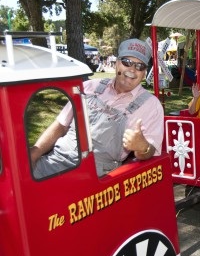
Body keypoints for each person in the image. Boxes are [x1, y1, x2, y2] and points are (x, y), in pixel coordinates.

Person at [31, 38, 164, 178]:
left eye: (139, 66)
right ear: (117, 64)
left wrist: (142, 147)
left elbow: (151, 152)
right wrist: (35, 152)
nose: (132, 69)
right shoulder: (90, 87)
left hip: (96, 177)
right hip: (55, 160)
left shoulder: (151, 105)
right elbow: (61, 124)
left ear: (144, 73)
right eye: (127, 62)